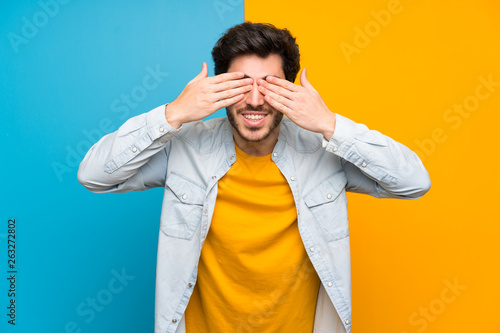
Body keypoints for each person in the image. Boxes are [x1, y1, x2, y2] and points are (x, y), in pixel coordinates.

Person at [78, 22, 431, 333]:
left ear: (291, 90)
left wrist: (329, 124)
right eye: (241, 84)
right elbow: (94, 175)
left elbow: (413, 181)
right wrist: (174, 113)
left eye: (270, 85)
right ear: (219, 87)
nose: (255, 99)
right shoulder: (185, 146)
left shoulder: (324, 149)